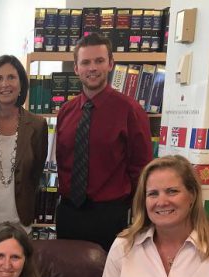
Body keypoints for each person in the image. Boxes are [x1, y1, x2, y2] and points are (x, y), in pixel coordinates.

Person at [53, 32, 152, 251]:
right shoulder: (66, 112)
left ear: (110, 64)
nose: (93, 68)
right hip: (69, 213)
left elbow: (142, 169)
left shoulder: (129, 110)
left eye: (99, 61)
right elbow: (62, 161)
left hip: (110, 215)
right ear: (76, 68)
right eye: (85, 62)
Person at [0, 55, 48, 236]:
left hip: (21, 225)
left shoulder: (37, 125)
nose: (5, 84)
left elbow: (36, 172)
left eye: (11, 77)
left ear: (21, 83)